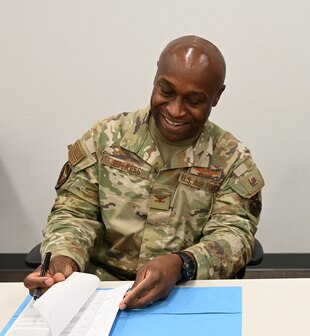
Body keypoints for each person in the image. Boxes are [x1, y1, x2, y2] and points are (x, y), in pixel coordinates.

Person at [23, 35, 264, 310]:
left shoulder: (232, 158)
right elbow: (75, 213)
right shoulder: (106, 137)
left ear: (217, 96)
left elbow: (234, 235)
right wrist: (64, 259)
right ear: (155, 78)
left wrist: (182, 264)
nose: (175, 110)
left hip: (185, 292)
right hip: (101, 290)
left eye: (194, 100)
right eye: (167, 92)